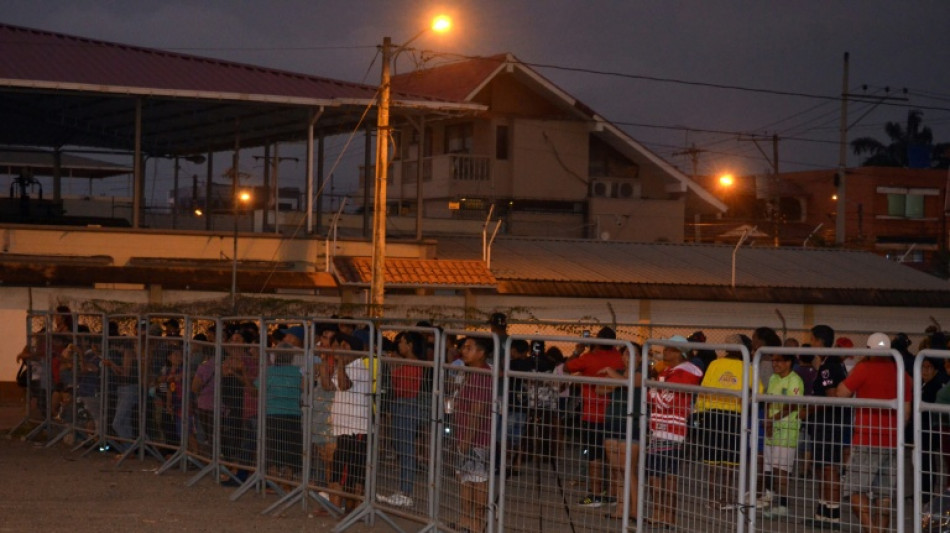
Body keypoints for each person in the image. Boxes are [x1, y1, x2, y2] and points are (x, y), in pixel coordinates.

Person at [836, 332, 912, 533]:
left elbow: (841, 392)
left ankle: (871, 530)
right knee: (884, 495)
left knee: (854, 489)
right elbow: (906, 412)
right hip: (893, 440)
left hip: (867, 439)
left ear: (868, 350)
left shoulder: (864, 368)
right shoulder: (901, 372)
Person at [693, 334, 760, 511]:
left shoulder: (715, 364)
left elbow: (703, 389)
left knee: (712, 461)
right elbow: (758, 390)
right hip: (734, 417)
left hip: (712, 415)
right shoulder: (747, 367)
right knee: (730, 462)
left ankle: (713, 499)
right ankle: (726, 498)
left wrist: (700, 411)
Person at [645, 335, 704, 528]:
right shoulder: (670, 372)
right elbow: (658, 398)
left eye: (669, 349)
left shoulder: (682, 374)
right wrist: (655, 390)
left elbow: (665, 401)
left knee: (663, 476)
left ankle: (665, 515)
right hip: (661, 428)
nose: (665, 351)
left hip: (670, 430)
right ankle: (662, 514)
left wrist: (652, 388)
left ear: (679, 353)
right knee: (660, 475)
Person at [564, 326, 625, 507]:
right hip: (615, 414)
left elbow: (566, 367)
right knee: (614, 457)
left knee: (594, 456)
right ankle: (614, 495)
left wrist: (578, 350)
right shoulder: (620, 358)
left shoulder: (589, 358)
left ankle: (596, 495)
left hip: (591, 415)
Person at [802, 324, 849, 527]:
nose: (811, 344)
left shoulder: (830, 366)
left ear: (819, 341)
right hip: (823, 425)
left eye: (812, 340)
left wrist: (808, 410)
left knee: (829, 469)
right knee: (821, 468)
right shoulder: (827, 364)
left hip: (829, 425)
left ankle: (833, 515)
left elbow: (830, 397)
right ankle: (822, 513)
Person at [324, 333, 373, 512]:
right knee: (342, 469)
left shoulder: (358, 367)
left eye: (342, 346)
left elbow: (345, 385)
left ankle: (353, 508)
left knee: (352, 470)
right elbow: (328, 385)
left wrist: (342, 363)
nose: (337, 350)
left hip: (355, 428)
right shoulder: (344, 367)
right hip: (344, 428)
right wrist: (325, 360)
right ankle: (339, 507)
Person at [377, 330, 425, 508]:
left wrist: (392, 386)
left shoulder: (413, 365)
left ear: (410, 345)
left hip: (406, 406)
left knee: (406, 449)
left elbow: (405, 389)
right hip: (400, 406)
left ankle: (406, 492)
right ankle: (403, 489)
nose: (399, 345)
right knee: (401, 446)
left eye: (402, 342)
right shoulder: (406, 364)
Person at [596, 342, 641, 521]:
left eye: (633, 354)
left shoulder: (641, 373)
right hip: (613, 423)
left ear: (640, 357)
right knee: (616, 469)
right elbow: (600, 389)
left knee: (628, 468)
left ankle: (635, 510)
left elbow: (631, 384)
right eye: (625, 354)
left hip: (631, 423)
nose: (628, 357)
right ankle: (621, 508)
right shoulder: (617, 372)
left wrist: (612, 376)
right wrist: (617, 381)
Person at [454, 336, 494, 533]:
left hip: (476, 439)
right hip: (466, 437)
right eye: (463, 347)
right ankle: (466, 520)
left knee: (478, 481)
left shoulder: (481, 375)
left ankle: (478, 523)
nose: (463, 350)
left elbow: (477, 411)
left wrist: (466, 440)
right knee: (465, 478)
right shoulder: (471, 372)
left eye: (469, 348)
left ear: (481, 353)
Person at [761, 353, 804, 519]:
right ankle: (770, 497)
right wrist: (767, 420)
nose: (774, 363)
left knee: (782, 470)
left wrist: (772, 420)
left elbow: (792, 406)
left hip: (786, 431)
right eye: (773, 360)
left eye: (778, 360)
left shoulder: (795, 380)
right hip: (771, 428)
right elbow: (767, 400)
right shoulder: (773, 378)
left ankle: (784, 505)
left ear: (788, 362)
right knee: (769, 466)